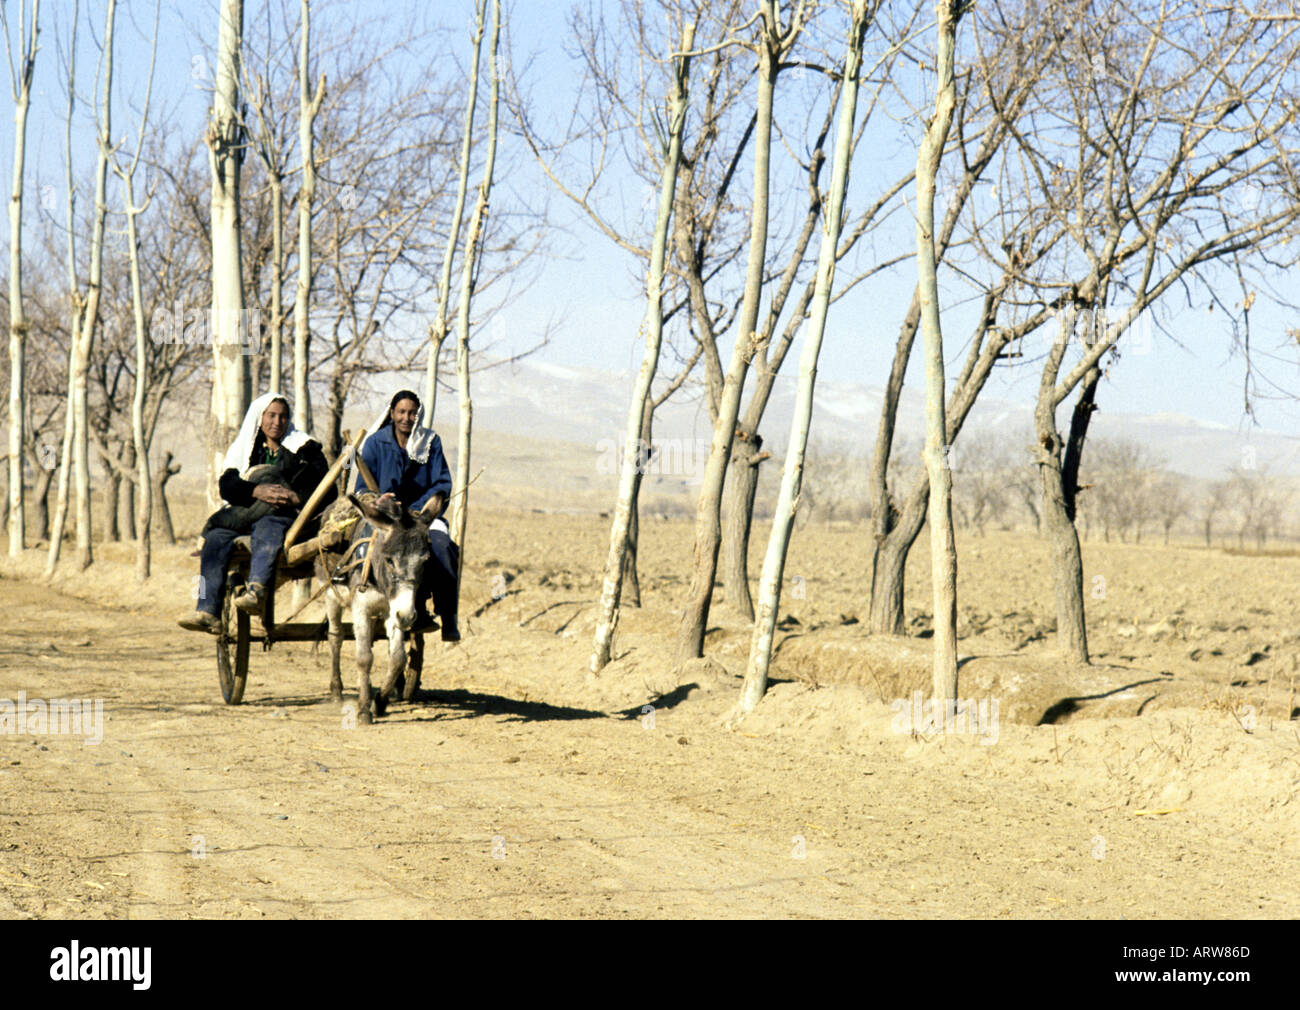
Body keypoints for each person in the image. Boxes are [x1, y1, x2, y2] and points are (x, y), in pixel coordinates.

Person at [180, 392, 331, 633]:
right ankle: (208, 610)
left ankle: (257, 592)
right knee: (216, 538)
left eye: (283, 416)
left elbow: (326, 489)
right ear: (260, 418)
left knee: (269, 527)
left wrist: (294, 497)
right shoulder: (245, 447)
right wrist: (255, 491)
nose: (277, 422)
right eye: (271, 415)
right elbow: (227, 486)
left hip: (284, 517)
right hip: (244, 514)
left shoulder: (305, 449)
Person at [352, 389, 460, 641]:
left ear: (418, 416)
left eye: (412, 413)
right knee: (362, 545)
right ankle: (362, 590)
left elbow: (442, 485)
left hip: (422, 519)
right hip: (386, 518)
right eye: (401, 412)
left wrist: (421, 511)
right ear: (392, 413)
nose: (406, 418)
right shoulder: (375, 442)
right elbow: (362, 488)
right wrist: (378, 501)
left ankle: (447, 616)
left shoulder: (431, 442)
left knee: (443, 547)